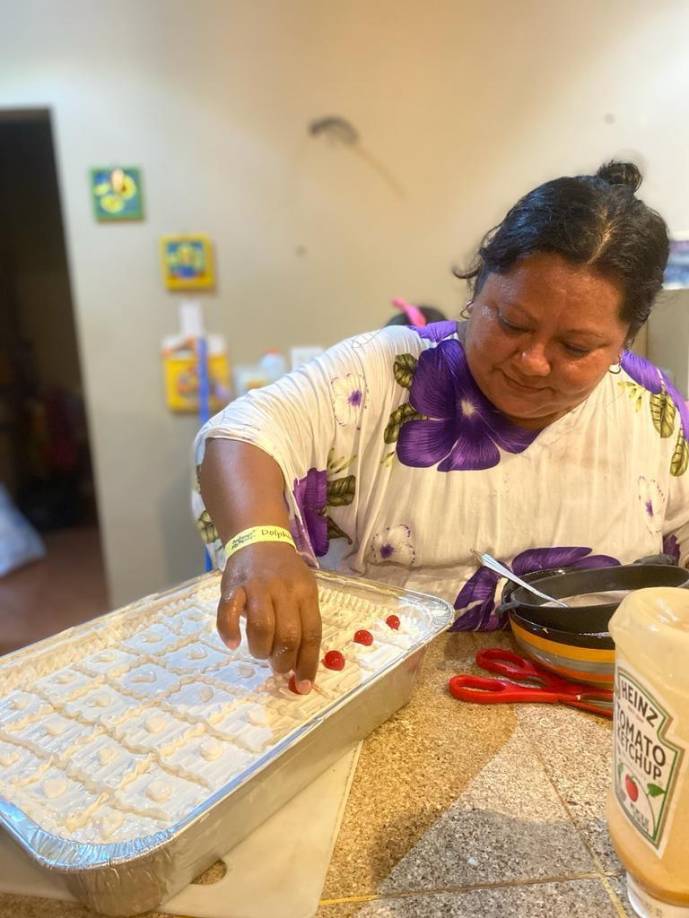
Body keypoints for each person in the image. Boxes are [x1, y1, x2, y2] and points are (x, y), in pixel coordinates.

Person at [193, 160, 685, 695]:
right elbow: (243, 433)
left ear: (625, 340)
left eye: (576, 347)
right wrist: (262, 542)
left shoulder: (652, 409)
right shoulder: (383, 371)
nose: (532, 361)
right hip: (372, 692)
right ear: (477, 289)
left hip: (592, 702)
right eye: (512, 323)